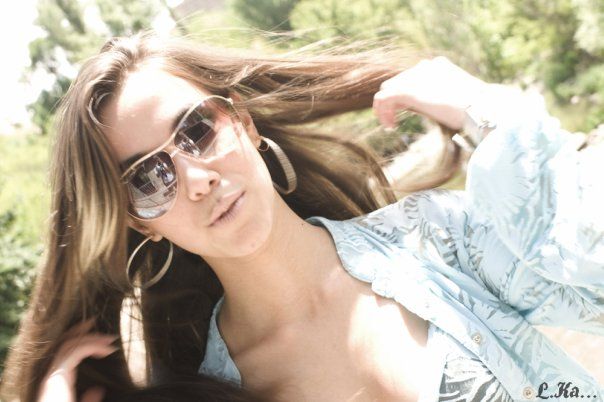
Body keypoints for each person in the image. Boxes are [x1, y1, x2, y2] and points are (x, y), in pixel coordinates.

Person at [1, 32, 602, 402]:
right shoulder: (208, 393)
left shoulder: (433, 239)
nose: (197, 177)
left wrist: (487, 112)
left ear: (244, 123)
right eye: (147, 177)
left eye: (197, 129)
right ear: (139, 222)